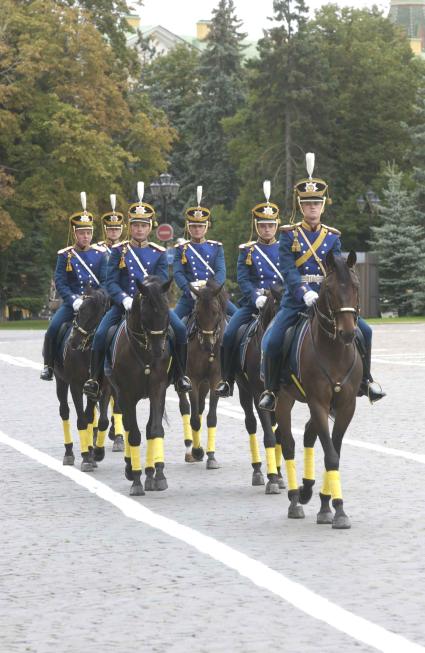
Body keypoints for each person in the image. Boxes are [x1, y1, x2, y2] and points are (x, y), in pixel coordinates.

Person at [259, 153, 386, 411]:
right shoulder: (289, 234)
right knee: (272, 340)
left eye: (316, 204)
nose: (312, 208)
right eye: (307, 205)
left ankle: (366, 381)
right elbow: (287, 268)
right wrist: (303, 291)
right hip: (297, 300)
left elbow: (337, 268)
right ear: (301, 206)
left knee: (367, 332)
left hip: (329, 300)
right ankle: (272, 390)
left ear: (323, 206)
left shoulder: (332, 237)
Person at [83, 182, 191, 400]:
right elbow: (110, 281)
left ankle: (180, 376)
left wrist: (149, 299)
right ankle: (95, 379)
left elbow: (160, 282)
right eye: (135, 225)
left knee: (179, 330)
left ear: (149, 227)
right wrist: (123, 298)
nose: (139, 229)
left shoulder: (158, 253)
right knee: (102, 334)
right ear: (130, 227)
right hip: (123, 306)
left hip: (151, 307)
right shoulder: (118, 251)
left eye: (143, 225)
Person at [215, 181, 283, 398]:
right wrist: (256, 297)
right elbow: (243, 280)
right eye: (263, 225)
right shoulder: (248, 251)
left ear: (276, 225)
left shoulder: (287, 249)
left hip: (282, 302)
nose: (267, 229)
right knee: (229, 334)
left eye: (270, 225)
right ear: (257, 226)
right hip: (255, 305)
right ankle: (227, 380)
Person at [40, 192, 107, 380]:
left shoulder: (101, 254)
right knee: (53, 329)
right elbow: (60, 280)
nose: (85, 236)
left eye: (88, 232)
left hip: (94, 305)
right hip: (73, 304)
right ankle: (49, 366)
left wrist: (96, 298)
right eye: (81, 232)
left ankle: (110, 367)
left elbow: (105, 282)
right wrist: (72, 300)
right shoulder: (65, 255)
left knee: (108, 331)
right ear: (74, 233)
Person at [173, 185, 237, 318]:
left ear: (206, 227)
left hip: (214, 296)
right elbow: (178, 273)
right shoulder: (181, 248)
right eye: (194, 226)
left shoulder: (216, 247)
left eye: (200, 226)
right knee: (172, 324)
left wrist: (213, 290)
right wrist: (189, 289)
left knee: (237, 318)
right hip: (190, 297)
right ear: (188, 227)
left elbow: (221, 272)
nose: (197, 229)